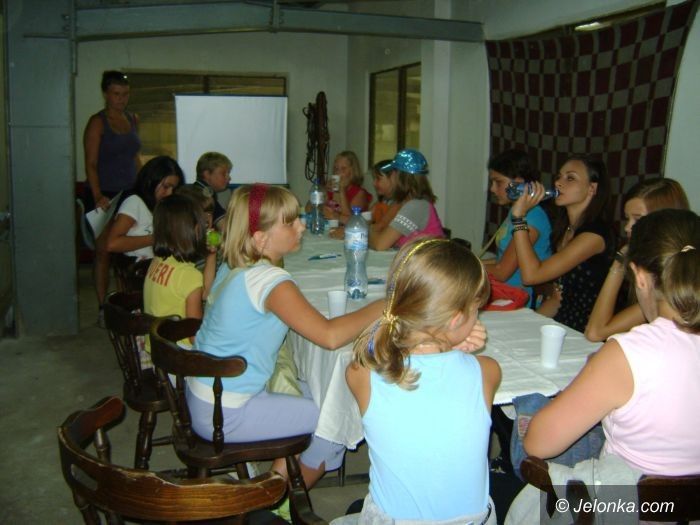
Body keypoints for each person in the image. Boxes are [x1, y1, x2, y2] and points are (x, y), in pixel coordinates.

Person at [190, 184, 384, 489]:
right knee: (334, 418)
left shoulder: (234, 265)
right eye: (290, 222)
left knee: (316, 391)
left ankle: (275, 475)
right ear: (260, 238)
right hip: (227, 411)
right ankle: (272, 495)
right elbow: (330, 336)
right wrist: (384, 305)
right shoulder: (269, 280)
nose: (301, 226)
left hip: (205, 394)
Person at [524, 208, 700, 477]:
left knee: (529, 412)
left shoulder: (628, 354)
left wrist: (599, 370)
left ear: (639, 277)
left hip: (627, 499)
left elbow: (538, 444)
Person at [345, 238, 500, 522]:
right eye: (476, 309)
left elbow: (378, 348)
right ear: (455, 320)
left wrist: (448, 341)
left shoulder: (360, 373)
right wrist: (453, 346)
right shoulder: (487, 371)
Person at [510, 154, 613, 332]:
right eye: (559, 177)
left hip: (586, 332)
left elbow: (531, 276)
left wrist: (519, 218)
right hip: (562, 324)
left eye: (570, 178)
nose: (558, 183)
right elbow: (558, 299)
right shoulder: (565, 230)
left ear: (592, 188)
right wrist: (524, 326)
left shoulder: (594, 235)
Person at [584, 178, 690, 342]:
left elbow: (595, 333)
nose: (627, 227)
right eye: (627, 219)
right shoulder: (651, 268)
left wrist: (620, 260)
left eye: (638, 220)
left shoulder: (668, 282)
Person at [83, 70, 142, 322]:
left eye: (125, 94)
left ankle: (128, 303)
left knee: (128, 250)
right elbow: (91, 163)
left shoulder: (133, 119)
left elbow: (135, 157)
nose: (121, 99)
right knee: (103, 251)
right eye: (116, 94)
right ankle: (102, 307)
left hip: (129, 193)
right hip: (104, 195)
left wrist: (143, 186)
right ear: (106, 94)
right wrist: (98, 195)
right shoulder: (97, 122)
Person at [143, 192, 217, 337]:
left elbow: (205, 294)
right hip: (177, 348)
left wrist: (211, 255)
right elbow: (194, 337)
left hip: (156, 343)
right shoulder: (189, 275)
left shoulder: (159, 260)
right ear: (190, 230)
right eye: (200, 223)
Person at [482, 149, 552, 303]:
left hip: (518, 301)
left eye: (498, 182)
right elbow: (500, 259)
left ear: (520, 184)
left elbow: (502, 272)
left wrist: (463, 266)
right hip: (504, 294)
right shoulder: (516, 211)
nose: (492, 188)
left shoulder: (532, 217)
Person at [106, 155, 185, 262]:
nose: (169, 193)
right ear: (151, 181)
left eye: (173, 189)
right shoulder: (134, 202)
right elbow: (112, 244)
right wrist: (157, 238)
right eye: (166, 187)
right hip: (139, 267)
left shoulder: (163, 205)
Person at [369, 149, 446, 251]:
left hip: (429, 260)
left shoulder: (416, 206)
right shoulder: (407, 203)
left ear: (398, 176)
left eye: (392, 173)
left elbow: (380, 245)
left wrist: (367, 231)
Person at [323, 151, 372, 224]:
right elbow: (309, 209)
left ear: (352, 172)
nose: (338, 172)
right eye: (336, 168)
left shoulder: (359, 193)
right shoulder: (331, 189)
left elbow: (350, 220)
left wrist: (341, 191)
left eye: (343, 168)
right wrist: (322, 190)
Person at [194, 151, 232, 228]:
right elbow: (224, 226)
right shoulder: (202, 194)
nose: (228, 178)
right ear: (207, 174)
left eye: (228, 173)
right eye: (223, 173)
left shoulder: (198, 189)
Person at [370, 158, 400, 230]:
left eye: (378, 178)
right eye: (374, 179)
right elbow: (364, 219)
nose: (374, 183)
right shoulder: (380, 202)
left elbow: (381, 226)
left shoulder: (399, 204)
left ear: (393, 177)